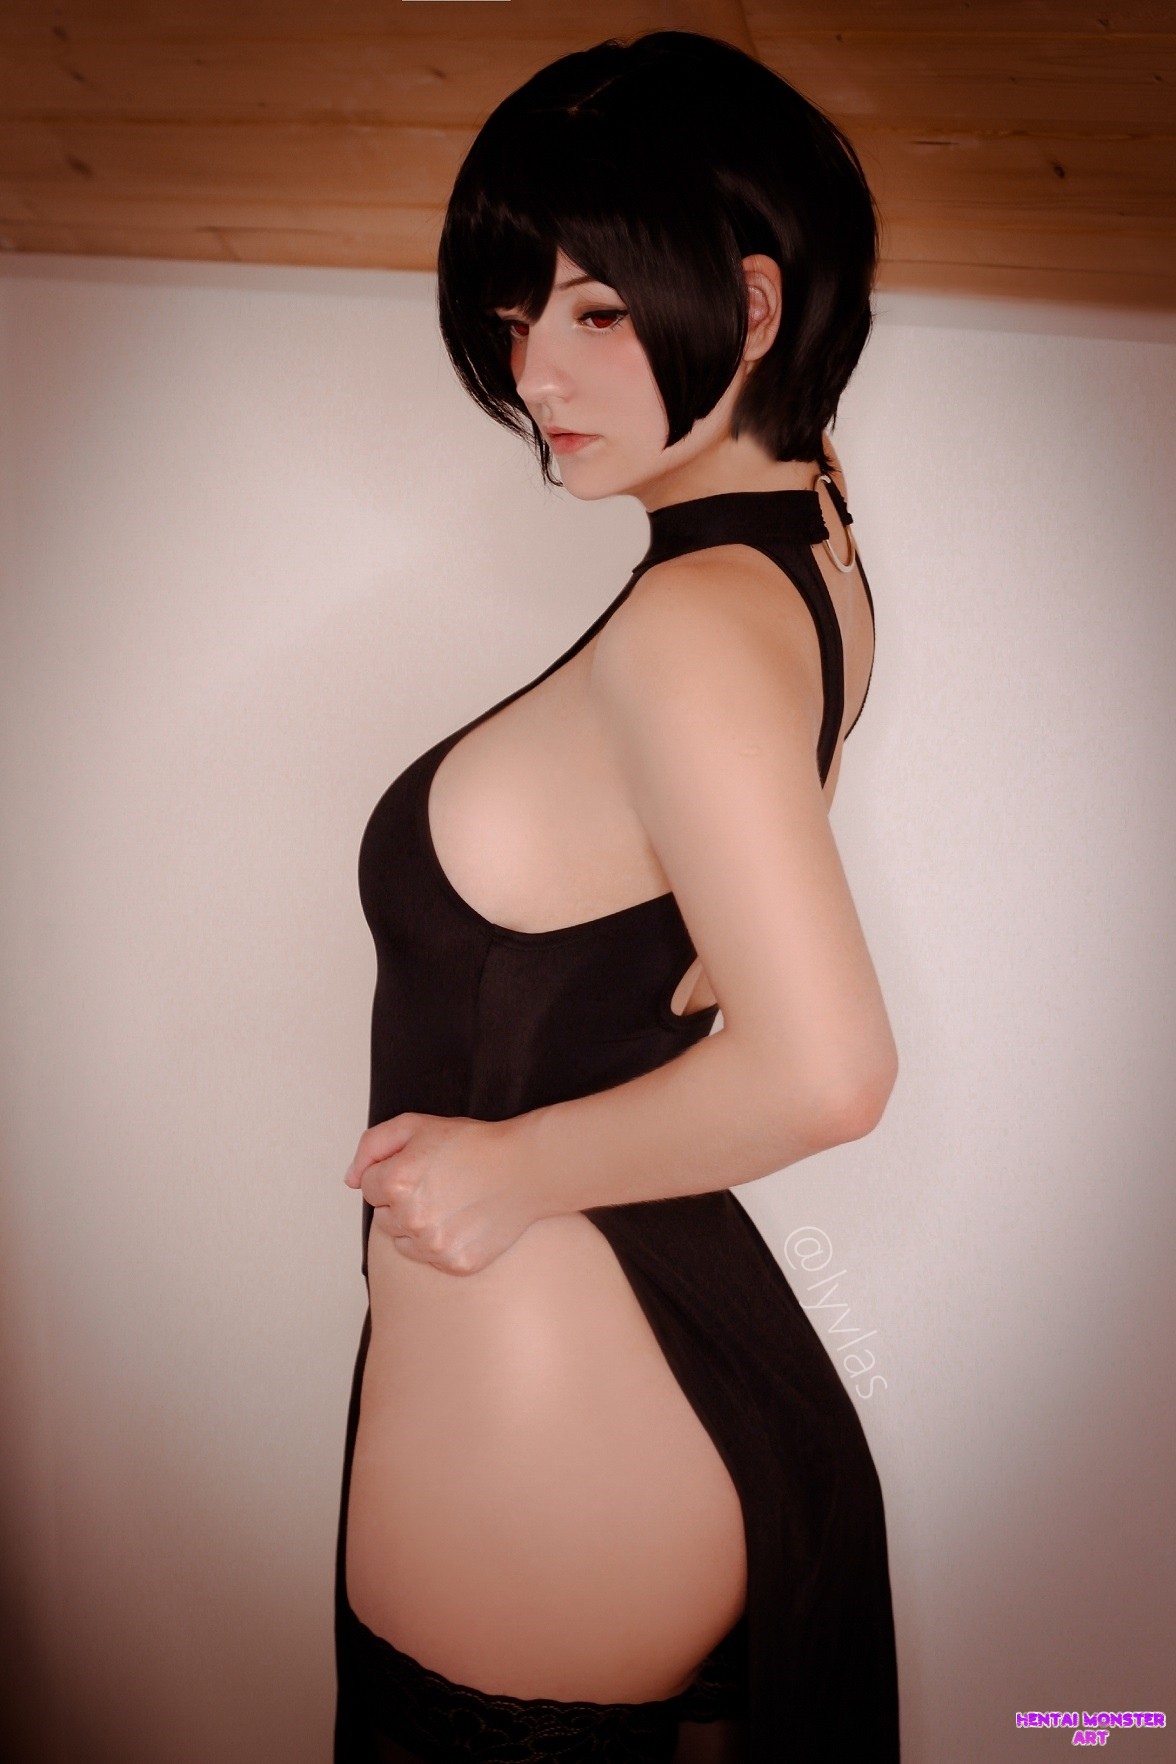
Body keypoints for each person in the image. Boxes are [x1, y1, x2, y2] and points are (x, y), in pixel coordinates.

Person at [334, 29, 899, 1764]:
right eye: (517, 319)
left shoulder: (688, 633)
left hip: (553, 1433)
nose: (537, 375)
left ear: (753, 303)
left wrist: (505, 1167)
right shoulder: (812, 546)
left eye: (593, 310)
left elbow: (827, 1072)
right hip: (632, 1375)